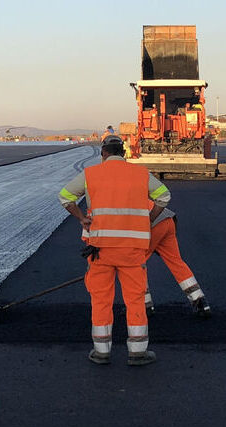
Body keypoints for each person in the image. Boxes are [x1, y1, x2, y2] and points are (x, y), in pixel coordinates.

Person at [59, 135, 170, 366]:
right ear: (124, 152)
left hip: (100, 249)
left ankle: (101, 352)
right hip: (132, 249)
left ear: (104, 154)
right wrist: (148, 220)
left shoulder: (91, 174)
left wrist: (82, 219)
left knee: (101, 299)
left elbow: (65, 197)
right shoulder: (140, 174)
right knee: (135, 298)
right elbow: (164, 196)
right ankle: (137, 352)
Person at [144, 200, 211, 318]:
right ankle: (200, 301)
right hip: (167, 219)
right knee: (175, 261)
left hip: (151, 223)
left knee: (136, 263)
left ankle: (144, 306)